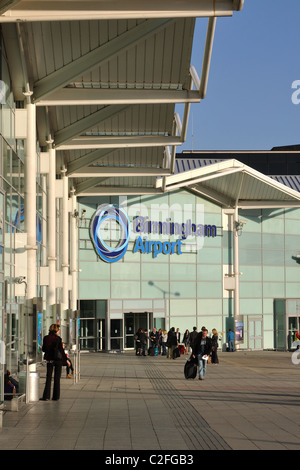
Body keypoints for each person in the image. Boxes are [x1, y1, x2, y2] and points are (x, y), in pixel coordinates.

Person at [41, 324, 70, 401]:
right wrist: (66, 360)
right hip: (58, 360)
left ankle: (46, 396)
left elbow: (43, 349)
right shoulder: (58, 339)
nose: (59, 331)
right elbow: (61, 350)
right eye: (58, 330)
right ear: (56, 330)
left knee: (48, 378)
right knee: (57, 379)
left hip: (49, 360)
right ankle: (55, 396)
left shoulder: (46, 338)